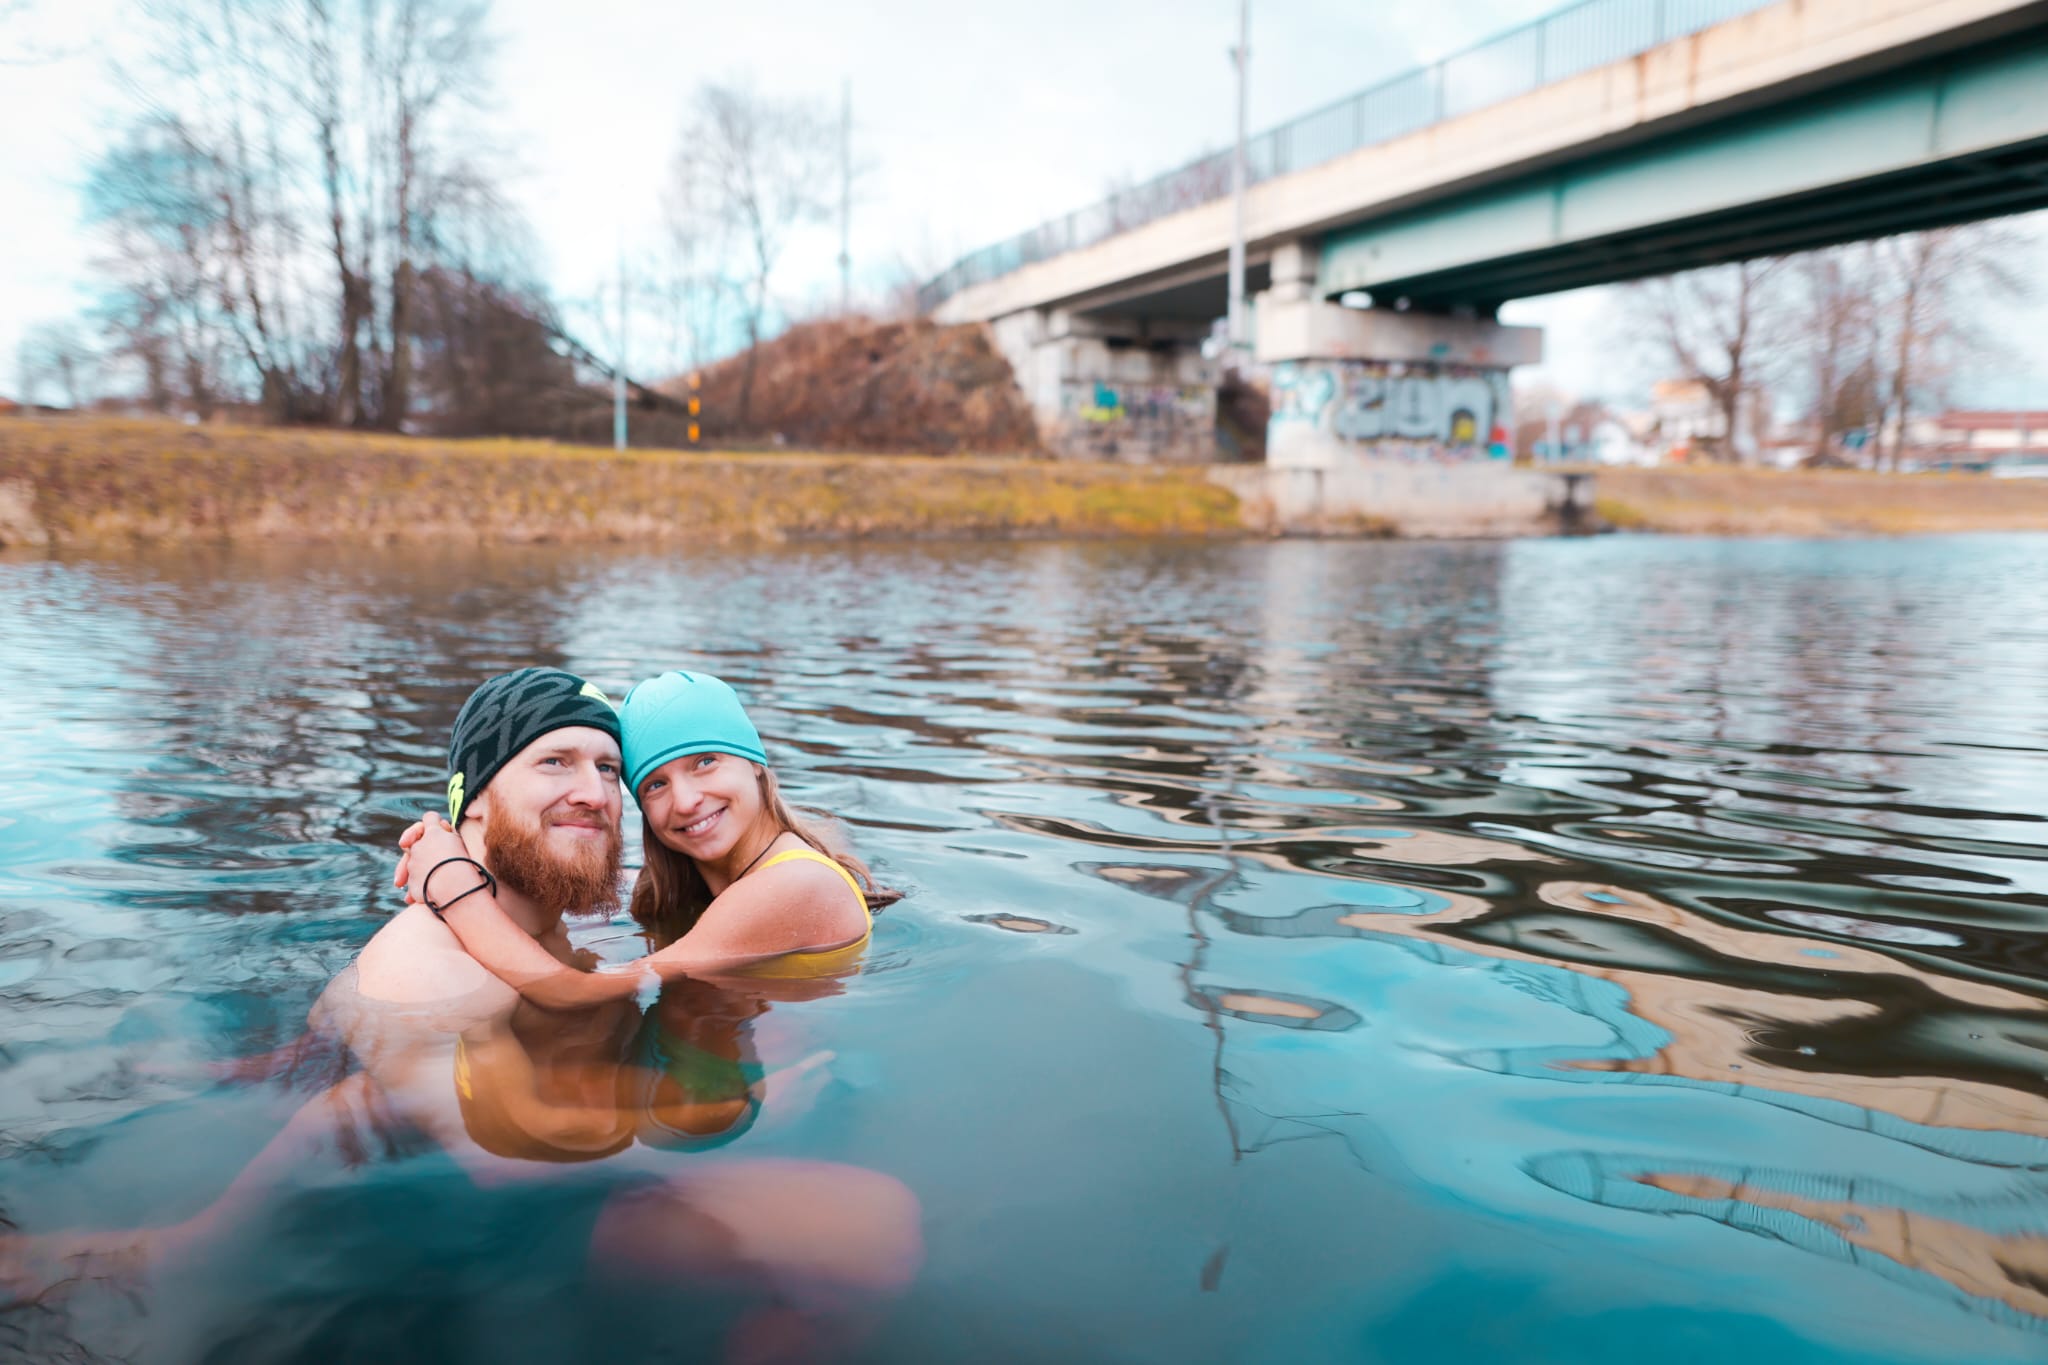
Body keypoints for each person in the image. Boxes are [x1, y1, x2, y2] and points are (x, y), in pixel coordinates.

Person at [401, 670, 895, 1007]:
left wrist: (452, 880)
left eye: (706, 762)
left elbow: (568, 993)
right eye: (655, 784)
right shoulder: (723, 878)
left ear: (757, 767)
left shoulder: (794, 885)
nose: (685, 801)